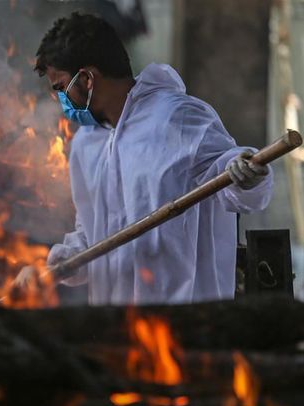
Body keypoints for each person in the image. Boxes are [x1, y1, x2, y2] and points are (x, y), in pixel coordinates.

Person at [22, 12, 272, 305]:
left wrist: (247, 171)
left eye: (61, 87)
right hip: (118, 324)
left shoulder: (177, 118)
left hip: (186, 321)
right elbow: (91, 238)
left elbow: (235, 184)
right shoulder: (86, 145)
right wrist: (50, 269)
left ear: (87, 78)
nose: (61, 99)